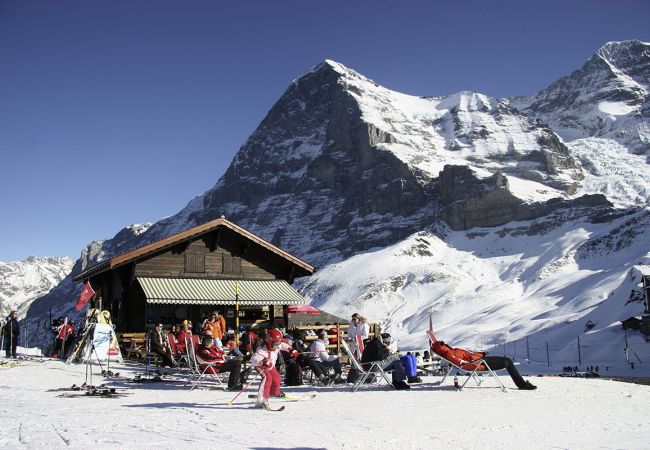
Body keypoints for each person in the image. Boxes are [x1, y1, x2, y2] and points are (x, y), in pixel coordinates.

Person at [431, 340, 536, 390]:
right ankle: (521, 385)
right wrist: (477, 363)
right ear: (441, 348)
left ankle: (521, 384)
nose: (444, 344)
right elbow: (463, 364)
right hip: (481, 364)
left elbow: (465, 358)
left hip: (480, 360)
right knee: (507, 361)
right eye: (442, 344)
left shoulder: (449, 351)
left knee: (507, 360)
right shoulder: (450, 354)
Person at [250, 328, 298, 408]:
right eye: (276, 343)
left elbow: (283, 345)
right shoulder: (262, 350)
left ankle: (273, 393)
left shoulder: (276, 345)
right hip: (261, 366)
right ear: (269, 342)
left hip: (270, 365)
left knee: (277, 379)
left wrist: (291, 350)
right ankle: (262, 400)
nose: (278, 345)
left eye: (278, 342)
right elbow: (254, 360)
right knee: (267, 378)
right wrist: (263, 362)